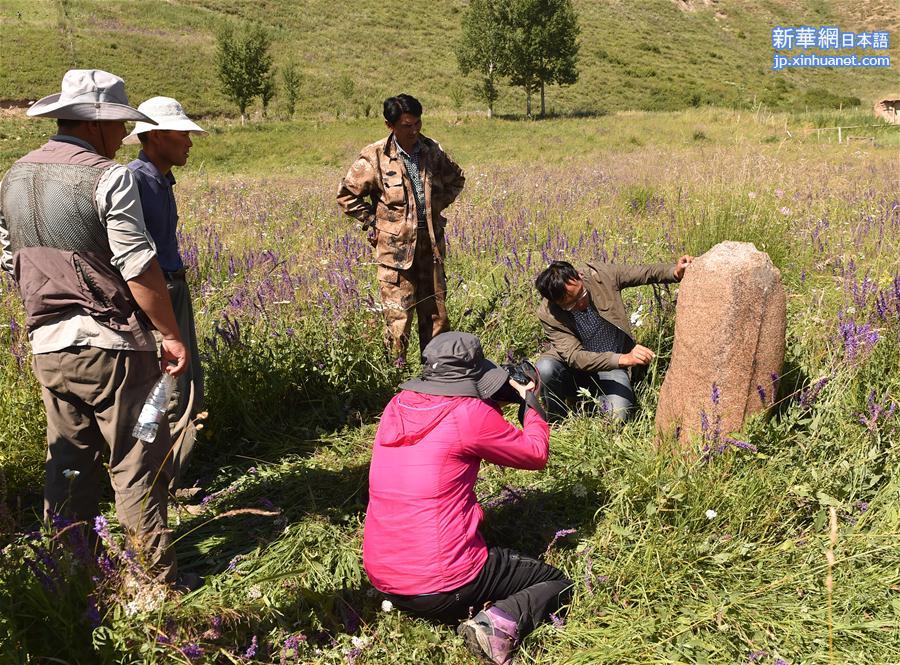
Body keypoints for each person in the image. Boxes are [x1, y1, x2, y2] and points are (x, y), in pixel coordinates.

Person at [0, 70, 189, 584]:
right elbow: (136, 263)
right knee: (137, 461)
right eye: (118, 126)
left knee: (67, 464)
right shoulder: (108, 176)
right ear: (97, 125)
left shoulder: (14, 176)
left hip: (49, 345)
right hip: (115, 346)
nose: (123, 137)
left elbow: (8, 256)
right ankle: (151, 585)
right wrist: (169, 333)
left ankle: (66, 576)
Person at [363, 331, 572, 665]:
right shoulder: (469, 414)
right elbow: (535, 453)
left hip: (384, 575)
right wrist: (531, 402)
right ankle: (495, 626)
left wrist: (491, 399)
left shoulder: (396, 405)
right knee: (556, 582)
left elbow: (451, 424)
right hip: (442, 584)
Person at [337, 94, 465, 362]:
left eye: (417, 123)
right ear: (390, 125)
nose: (414, 130)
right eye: (407, 125)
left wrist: (435, 206)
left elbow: (457, 179)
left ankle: (437, 378)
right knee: (398, 319)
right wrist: (374, 222)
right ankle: (394, 379)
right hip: (394, 256)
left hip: (430, 249)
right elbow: (347, 195)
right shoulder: (374, 157)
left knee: (436, 317)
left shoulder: (432, 151)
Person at [124, 97, 207, 491]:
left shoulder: (159, 179)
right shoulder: (138, 181)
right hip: (158, 290)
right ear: (154, 136)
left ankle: (166, 479)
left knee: (183, 384)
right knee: (170, 388)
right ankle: (161, 488)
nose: (189, 142)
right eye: (182, 133)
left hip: (171, 284)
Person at [534, 255, 693, 422]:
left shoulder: (601, 275)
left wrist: (674, 272)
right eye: (570, 305)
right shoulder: (548, 313)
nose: (580, 304)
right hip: (576, 369)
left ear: (579, 275)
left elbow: (644, 272)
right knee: (545, 367)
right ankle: (557, 420)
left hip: (611, 367)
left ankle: (591, 402)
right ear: (554, 302)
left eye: (581, 294)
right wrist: (624, 358)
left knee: (617, 417)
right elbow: (575, 357)